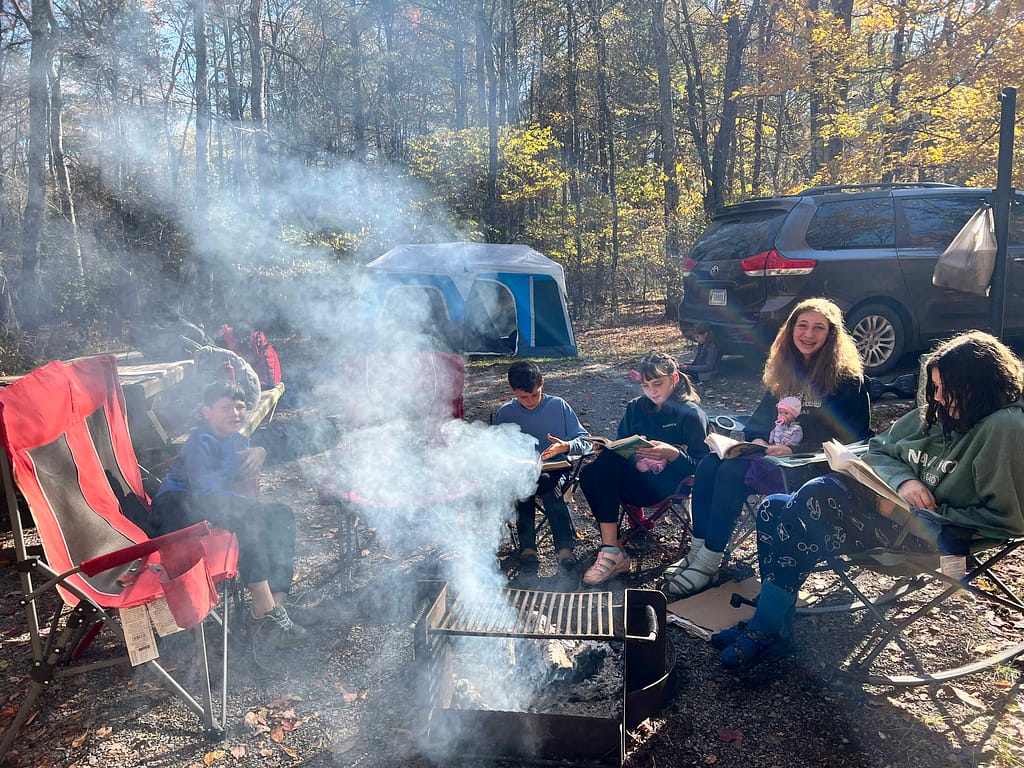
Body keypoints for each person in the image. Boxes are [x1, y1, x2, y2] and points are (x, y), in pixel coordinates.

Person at [716, 330, 1024, 670]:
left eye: (945, 388)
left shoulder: (1004, 427)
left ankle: (767, 627)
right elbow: (879, 448)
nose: (936, 398)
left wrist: (911, 512)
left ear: (977, 385)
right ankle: (773, 625)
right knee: (774, 506)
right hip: (886, 517)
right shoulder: (942, 414)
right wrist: (903, 481)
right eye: (934, 387)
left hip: (927, 538)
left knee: (817, 493)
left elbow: (1006, 520)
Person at [662, 297, 872, 599]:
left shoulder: (847, 381)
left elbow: (854, 439)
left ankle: (710, 561)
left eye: (818, 328)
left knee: (731, 472)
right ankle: (698, 551)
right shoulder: (786, 371)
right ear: (791, 330)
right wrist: (757, 439)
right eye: (802, 326)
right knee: (710, 464)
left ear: (832, 335)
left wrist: (797, 451)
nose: (808, 335)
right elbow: (759, 421)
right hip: (773, 461)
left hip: (811, 469)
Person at [152, 380, 307, 648]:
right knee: (248, 518)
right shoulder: (199, 441)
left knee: (282, 514)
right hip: (176, 508)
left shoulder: (236, 439)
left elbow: (245, 461)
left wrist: (261, 450)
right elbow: (204, 491)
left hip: (208, 501)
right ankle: (263, 610)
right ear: (206, 412)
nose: (234, 413)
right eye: (225, 407)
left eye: (240, 407)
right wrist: (244, 504)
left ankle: (276, 603)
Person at [578, 351, 709, 586]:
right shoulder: (635, 408)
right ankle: (614, 549)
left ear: (675, 379)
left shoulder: (690, 414)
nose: (652, 391)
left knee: (599, 470)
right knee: (589, 472)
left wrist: (673, 454)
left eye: (658, 383)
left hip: (667, 486)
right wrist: (609, 450)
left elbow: (703, 468)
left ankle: (611, 554)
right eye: (645, 385)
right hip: (633, 481)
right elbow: (621, 446)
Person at [493, 361, 590, 568]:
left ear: (542, 384)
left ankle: (565, 550)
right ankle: (528, 549)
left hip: (556, 469)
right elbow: (495, 451)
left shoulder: (558, 406)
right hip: (522, 472)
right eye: (523, 397)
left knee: (546, 482)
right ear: (513, 391)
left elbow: (586, 441)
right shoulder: (505, 413)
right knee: (523, 483)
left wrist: (565, 446)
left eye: (535, 395)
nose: (530, 401)